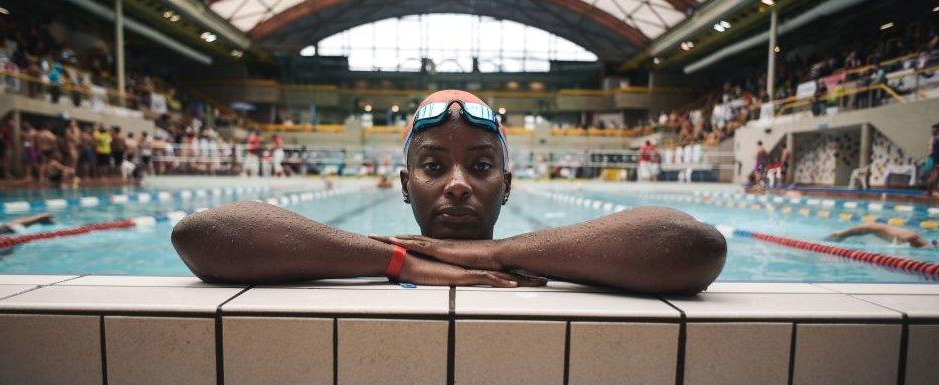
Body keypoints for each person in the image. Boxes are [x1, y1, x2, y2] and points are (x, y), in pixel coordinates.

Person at [172, 90, 726, 294]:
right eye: (434, 166)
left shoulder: (545, 265)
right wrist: (399, 262)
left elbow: (696, 247)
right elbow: (200, 235)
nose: (458, 184)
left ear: (506, 188)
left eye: (481, 166)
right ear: (404, 186)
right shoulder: (364, 260)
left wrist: (491, 254)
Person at [828, 223, 937, 249]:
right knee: (841, 234)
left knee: (841, 235)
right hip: (870, 227)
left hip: (872, 228)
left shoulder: (912, 238)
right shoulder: (910, 238)